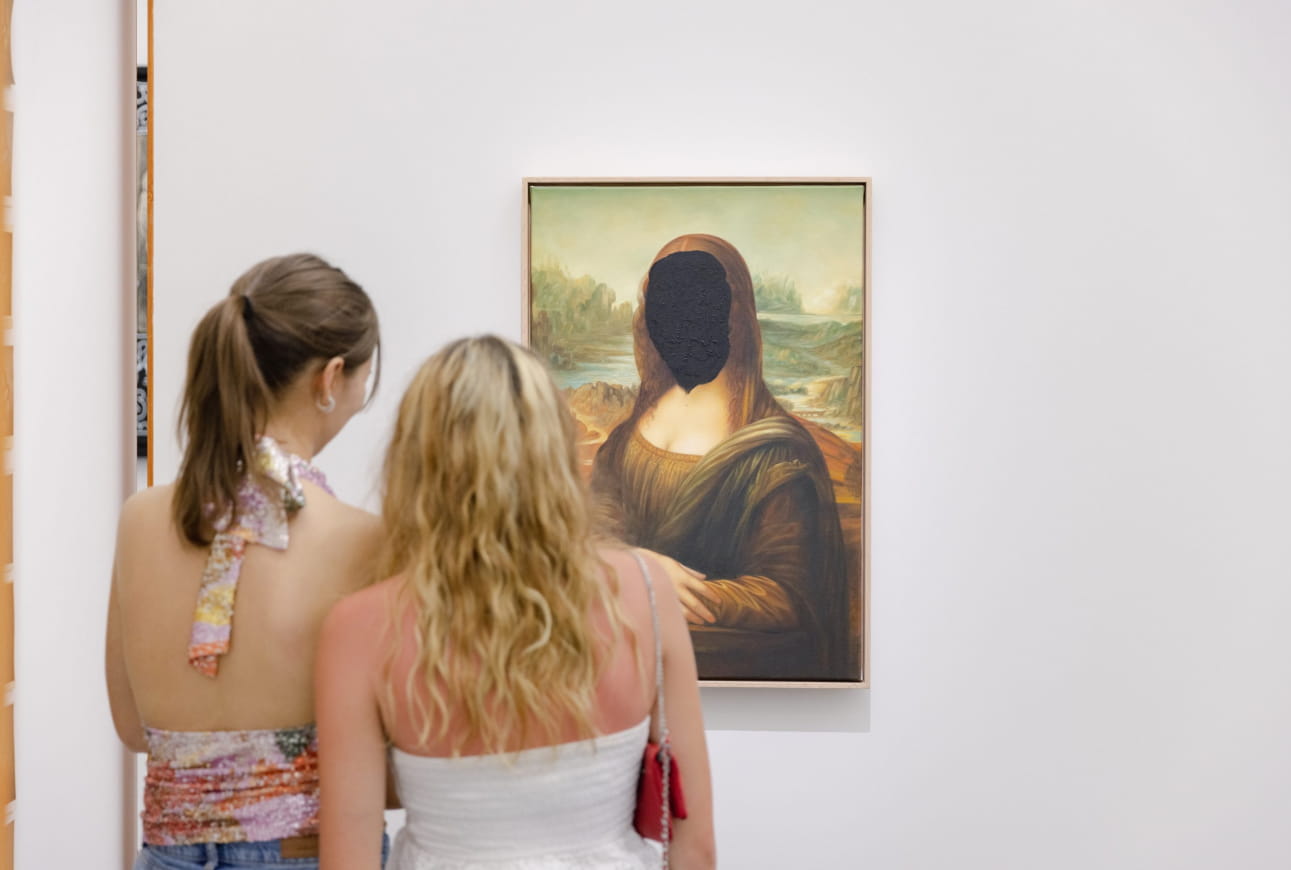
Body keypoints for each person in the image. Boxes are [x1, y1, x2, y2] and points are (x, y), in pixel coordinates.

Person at [315, 336, 715, 869]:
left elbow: (349, 860)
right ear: (556, 451)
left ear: (415, 461)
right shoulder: (645, 589)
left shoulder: (358, 628)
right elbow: (695, 848)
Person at [105, 253, 386, 869]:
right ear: (330, 378)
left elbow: (131, 727)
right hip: (306, 853)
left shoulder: (138, 519)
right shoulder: (365, 539)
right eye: (364, 380)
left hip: (168, 856)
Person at [590, 234, 853, 681]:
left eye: (698, 300)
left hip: (727, 663)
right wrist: (635, 572)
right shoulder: (625, 439)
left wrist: (661, 587)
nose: (680, 319)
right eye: (664, 302)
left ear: (733, 316)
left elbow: (789, 596)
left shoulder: (776, 453)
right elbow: (589, 543)